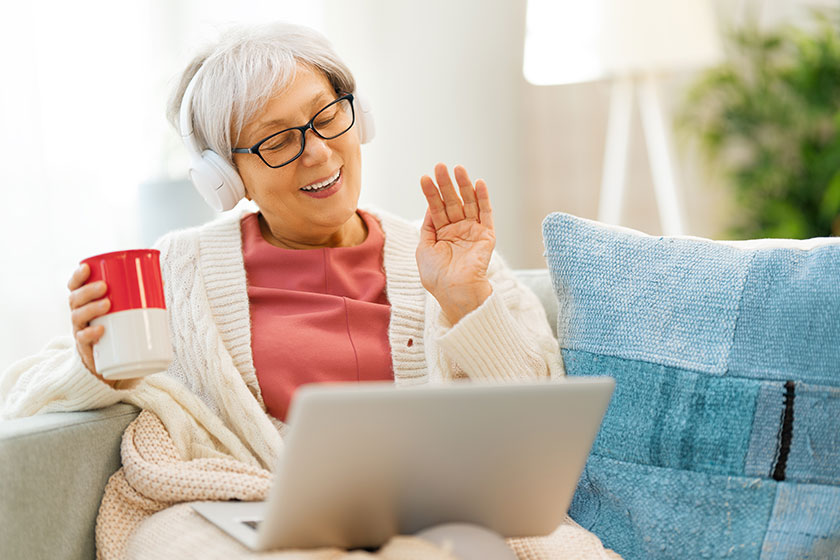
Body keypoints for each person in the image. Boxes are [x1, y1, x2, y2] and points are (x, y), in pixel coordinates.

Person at [0, 22, 616, 560]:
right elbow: (23, 398)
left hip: (428, 517)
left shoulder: (453, 258)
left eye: (326, 117)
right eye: (277, 141)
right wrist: (94, 367)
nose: (318, 153)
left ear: (358, 115)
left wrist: (465, 300)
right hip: (244, 510)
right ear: (225, 177)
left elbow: (542, 436)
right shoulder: (179, 272)